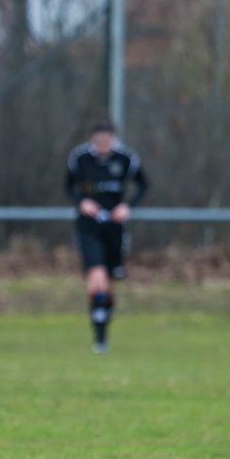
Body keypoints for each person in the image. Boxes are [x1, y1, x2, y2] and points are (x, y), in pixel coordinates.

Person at [64, 118, 150, 353]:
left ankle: (103, 332)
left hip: (115, 227)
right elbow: (68, 186)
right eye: (99, 141)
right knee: (97, 275)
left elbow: (143, 185)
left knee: (110, 282)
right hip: (88, 226)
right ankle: (99, 337)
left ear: (113, 139)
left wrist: (127, 206)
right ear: (92, 139)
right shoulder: (80, 158)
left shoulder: (126, 158)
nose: (103, 145)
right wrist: (82, 202)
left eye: (107, 141)